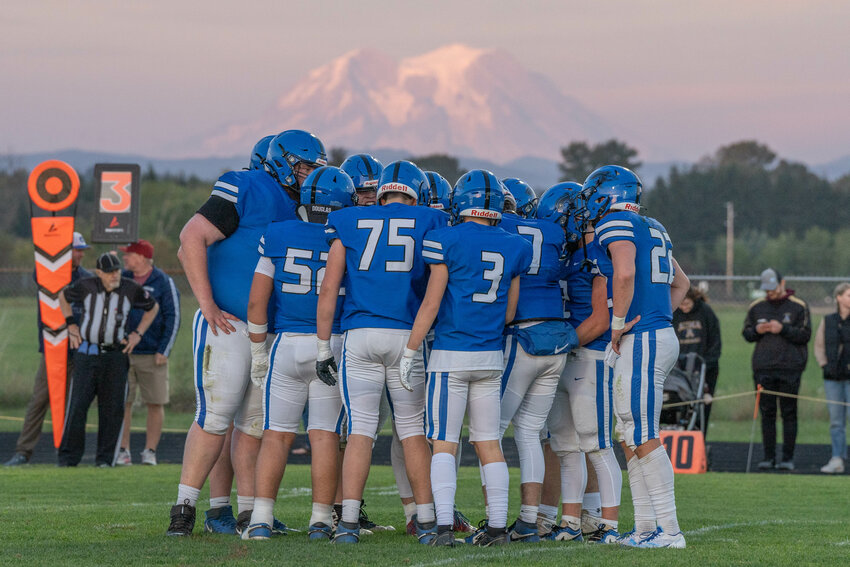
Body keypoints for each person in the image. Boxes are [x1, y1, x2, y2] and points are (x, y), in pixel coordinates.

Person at [167, 130, 326, 537]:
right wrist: (206, 303)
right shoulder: (247, 185)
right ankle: (184, 507)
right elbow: (191, 238)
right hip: (230, 320)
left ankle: (248, 512)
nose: (310, 176)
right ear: (282, 162)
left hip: (270, 331)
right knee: (217, 414)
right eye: (305, 166)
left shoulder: (303, 206)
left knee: (253, 423)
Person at [316, 160, 446, 544]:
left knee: (360, 432)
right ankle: (424, 520)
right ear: (415, 193)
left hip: (360, 333)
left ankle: (349, 523)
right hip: (407, 335)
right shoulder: (431, 221)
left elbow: (329, 288)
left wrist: (324, 346)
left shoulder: (348, 219)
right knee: (411, 431)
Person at [403, 169, 531, 547]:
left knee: (444, 442)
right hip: (490, 355)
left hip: (450, 356)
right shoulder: (516, 245)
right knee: (489, 442)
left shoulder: (445, 239)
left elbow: (431, 302)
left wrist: (410, 350)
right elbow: (509, 313)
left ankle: (443, 528)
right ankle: (495, 529)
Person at [241, 166, 355, 540]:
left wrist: (259, 351)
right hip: (333, 342)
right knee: (323, 436)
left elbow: (257, 302)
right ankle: (321, 521)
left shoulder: (278, 233)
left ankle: (260, 519)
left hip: (288, 344)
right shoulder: (350, 235)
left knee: (276, 435)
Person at [584, 165, 690, 549]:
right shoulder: (653, 226)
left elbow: (624, 274)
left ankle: (670, 531)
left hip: (643, 339)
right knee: (630, 434)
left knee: (642, 434)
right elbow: (682, 283)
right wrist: (661, 318)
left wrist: (618, 324)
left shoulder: (616, 222)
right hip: (655, 336)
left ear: (606, 194)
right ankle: (646, 528)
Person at [493, 178, 576, 543]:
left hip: (522, 335)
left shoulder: (501, 227)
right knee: (530, 433)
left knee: (490, 431)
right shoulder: (553, 233)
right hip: (556, 338)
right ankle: (531, 520)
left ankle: (494, 520)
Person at [57, 252, 159, 467]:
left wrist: (137, 333)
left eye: (117, 270)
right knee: (77, 407)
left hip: (115, 356)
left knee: (112, 410)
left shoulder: (130, 289)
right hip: (87, 354)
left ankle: (105, 459)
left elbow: (153, 307)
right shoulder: (86, 285)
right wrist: (70, 324)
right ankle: (68, 459)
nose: (115, 275)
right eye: (110, 272)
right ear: (99, 273)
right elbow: (63, 297)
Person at [4, 232, 92, 467]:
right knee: (39, 400)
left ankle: (66, 454)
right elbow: (39, 273)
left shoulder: (86, 278)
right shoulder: (49, 275)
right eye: (77, 249)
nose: (81, 254)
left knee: (71, 403)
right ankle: (23, 452)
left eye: (82, 250)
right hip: (53, 349)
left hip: (77, 350)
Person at [116, 239, 181, 466]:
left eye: (129, 254)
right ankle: (122, 450)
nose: (125, 258)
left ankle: (149, 452)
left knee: (155, 402)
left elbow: (173, 316)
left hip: (153, 353)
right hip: (124, 352)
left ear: (142, 257)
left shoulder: (163, 281)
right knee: (123, 402)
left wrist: (164, 349)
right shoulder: (122, 278)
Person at [742, 268, 811, 471]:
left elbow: (805, 334)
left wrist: (783, 329)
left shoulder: (799, 306)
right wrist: (756, 330)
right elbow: (746, 333)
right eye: (767, 289)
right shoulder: (757, 307)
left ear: (782, 284)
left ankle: (787, 459)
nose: (770, 293)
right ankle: (768, 457)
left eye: (773, 288)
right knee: (767, 413)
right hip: (763, 368)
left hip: (790, 368)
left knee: (789, 413)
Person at [672, 286, 722, 437]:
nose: (684, 307)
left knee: (702, 408)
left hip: (704, 369)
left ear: (693, 300)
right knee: (678, 405)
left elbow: (715, 340)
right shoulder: (674, 313)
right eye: (681, 304)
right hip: (679, 369)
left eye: (687, 303)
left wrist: (707, 363)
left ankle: (699, 440)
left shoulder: (705, 312)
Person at [814, 282, 850, 474]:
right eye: (848, 295)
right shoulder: (828, 321)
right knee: (836, 421)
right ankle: (837, 458)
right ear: (839, 297)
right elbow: (819, 345)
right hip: (833, 378)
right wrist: (825, 365)